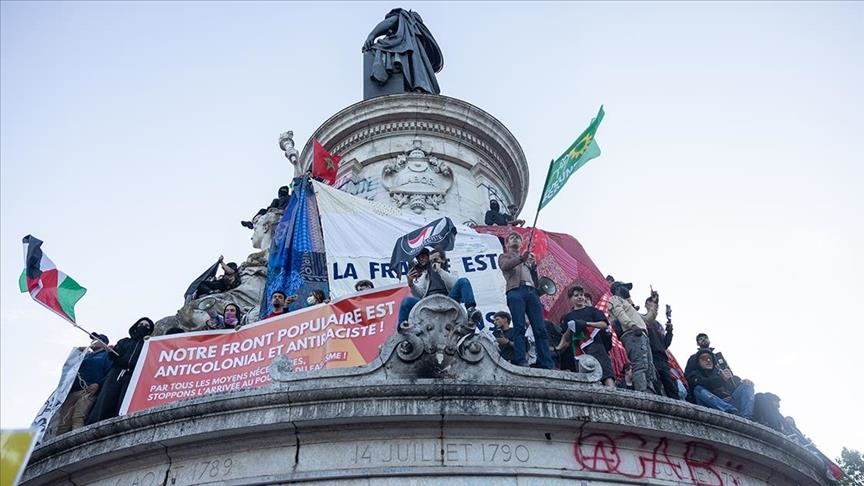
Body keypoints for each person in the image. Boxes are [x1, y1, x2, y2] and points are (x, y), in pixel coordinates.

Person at [498, 232, 554, 369]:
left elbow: (534, 281)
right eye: (512, 238)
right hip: (515, 291)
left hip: (532, 292)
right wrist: (521, 259)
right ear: (507, 244)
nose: (515, 239)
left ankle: (546, 362)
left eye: (518, 238)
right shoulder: (504, 256)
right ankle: (520, 360)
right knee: (519, 327)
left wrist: (533, 267)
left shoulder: (527, 260)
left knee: (540, 328)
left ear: (521, 243)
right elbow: (505, 266)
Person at [86, 318, 154, 424]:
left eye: (147, 326)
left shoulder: (148, 344)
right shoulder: (125, 341)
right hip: (116, 374)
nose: (143, 326)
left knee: (125, 401)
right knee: (107, 399)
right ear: (136, 326)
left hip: (133, 376)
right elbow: (115, 354)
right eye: (141, 324)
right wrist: (112, 353)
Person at [362, 8, 443, 97]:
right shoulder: (417, 35)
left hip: (405, 50)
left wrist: (372, 35)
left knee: (378, 48)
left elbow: (390, 22)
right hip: (417, 65)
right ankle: (417, 87)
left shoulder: (402, 18)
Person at [399, 248, 482, 325]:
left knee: (464, 281)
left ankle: (471, 310)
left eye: (435, 260)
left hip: (448, 301)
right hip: (429, 304)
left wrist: (440, 271)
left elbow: (454, 284)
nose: (421, 259)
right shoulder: (425, 276)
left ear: (443, 260)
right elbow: (420, 294)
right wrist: (411, 284)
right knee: (407, 302)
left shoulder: (451, 272)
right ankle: (403, 327)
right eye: (431, 261)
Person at [556, 286, 615, 386]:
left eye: (581, 295)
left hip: (596, 345)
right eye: (576, 295)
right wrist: (557, 348)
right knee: (584, 377)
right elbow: (566, 338)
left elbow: (604, 324)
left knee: (606, 373)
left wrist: (587, 324)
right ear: (571, 299)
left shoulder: (593, 311)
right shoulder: (568, 317)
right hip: (578, 351)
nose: (580, 297)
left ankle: (612, 392)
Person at [606, 281, 657, 392]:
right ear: (618, 288)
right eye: (625, 287)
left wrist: (654, 305)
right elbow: (620, 313)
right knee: (640, 365)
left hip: (641, 334)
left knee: (648, 368)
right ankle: (642, 393)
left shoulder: (628, 305)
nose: (628, 290)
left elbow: (647, 318)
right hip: (631, 334)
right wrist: (632, 325)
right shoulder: (614, 299)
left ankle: (649, 392)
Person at [56, 334, 112, 434]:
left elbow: (110, 373)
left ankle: (76, 441)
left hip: (88, 391)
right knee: (63, 423)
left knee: (78, 417)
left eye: (97, 339)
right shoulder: (84, 355)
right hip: (73, 391)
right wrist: (76, 353)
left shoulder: (106, 355)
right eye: (93, 339)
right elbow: (68, 369)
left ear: (103, 343)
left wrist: (98, 384)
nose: (93, 341)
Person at [686, 349, 755, 418]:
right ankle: (730, 411)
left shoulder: (721, 373)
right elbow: (702, 382)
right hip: (712, 405)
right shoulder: (695, 375)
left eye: (710, 358)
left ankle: (746, 416)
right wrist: (721, 379)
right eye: (704, 358)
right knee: (697, 389)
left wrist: (745, 382)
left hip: (730, 403)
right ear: (698, 362)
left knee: (747, 385)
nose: (708, 360)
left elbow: (738, 388)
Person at [645, 303, 679, 399]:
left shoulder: (658, 324)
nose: (651, 306)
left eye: (654, 304)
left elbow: (665, 343)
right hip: (649, 355)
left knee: (669, 383)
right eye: (649, 303)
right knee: (655, 382)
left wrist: (669, 331)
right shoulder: (642, 319)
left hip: (662, 357)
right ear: (646, 305)